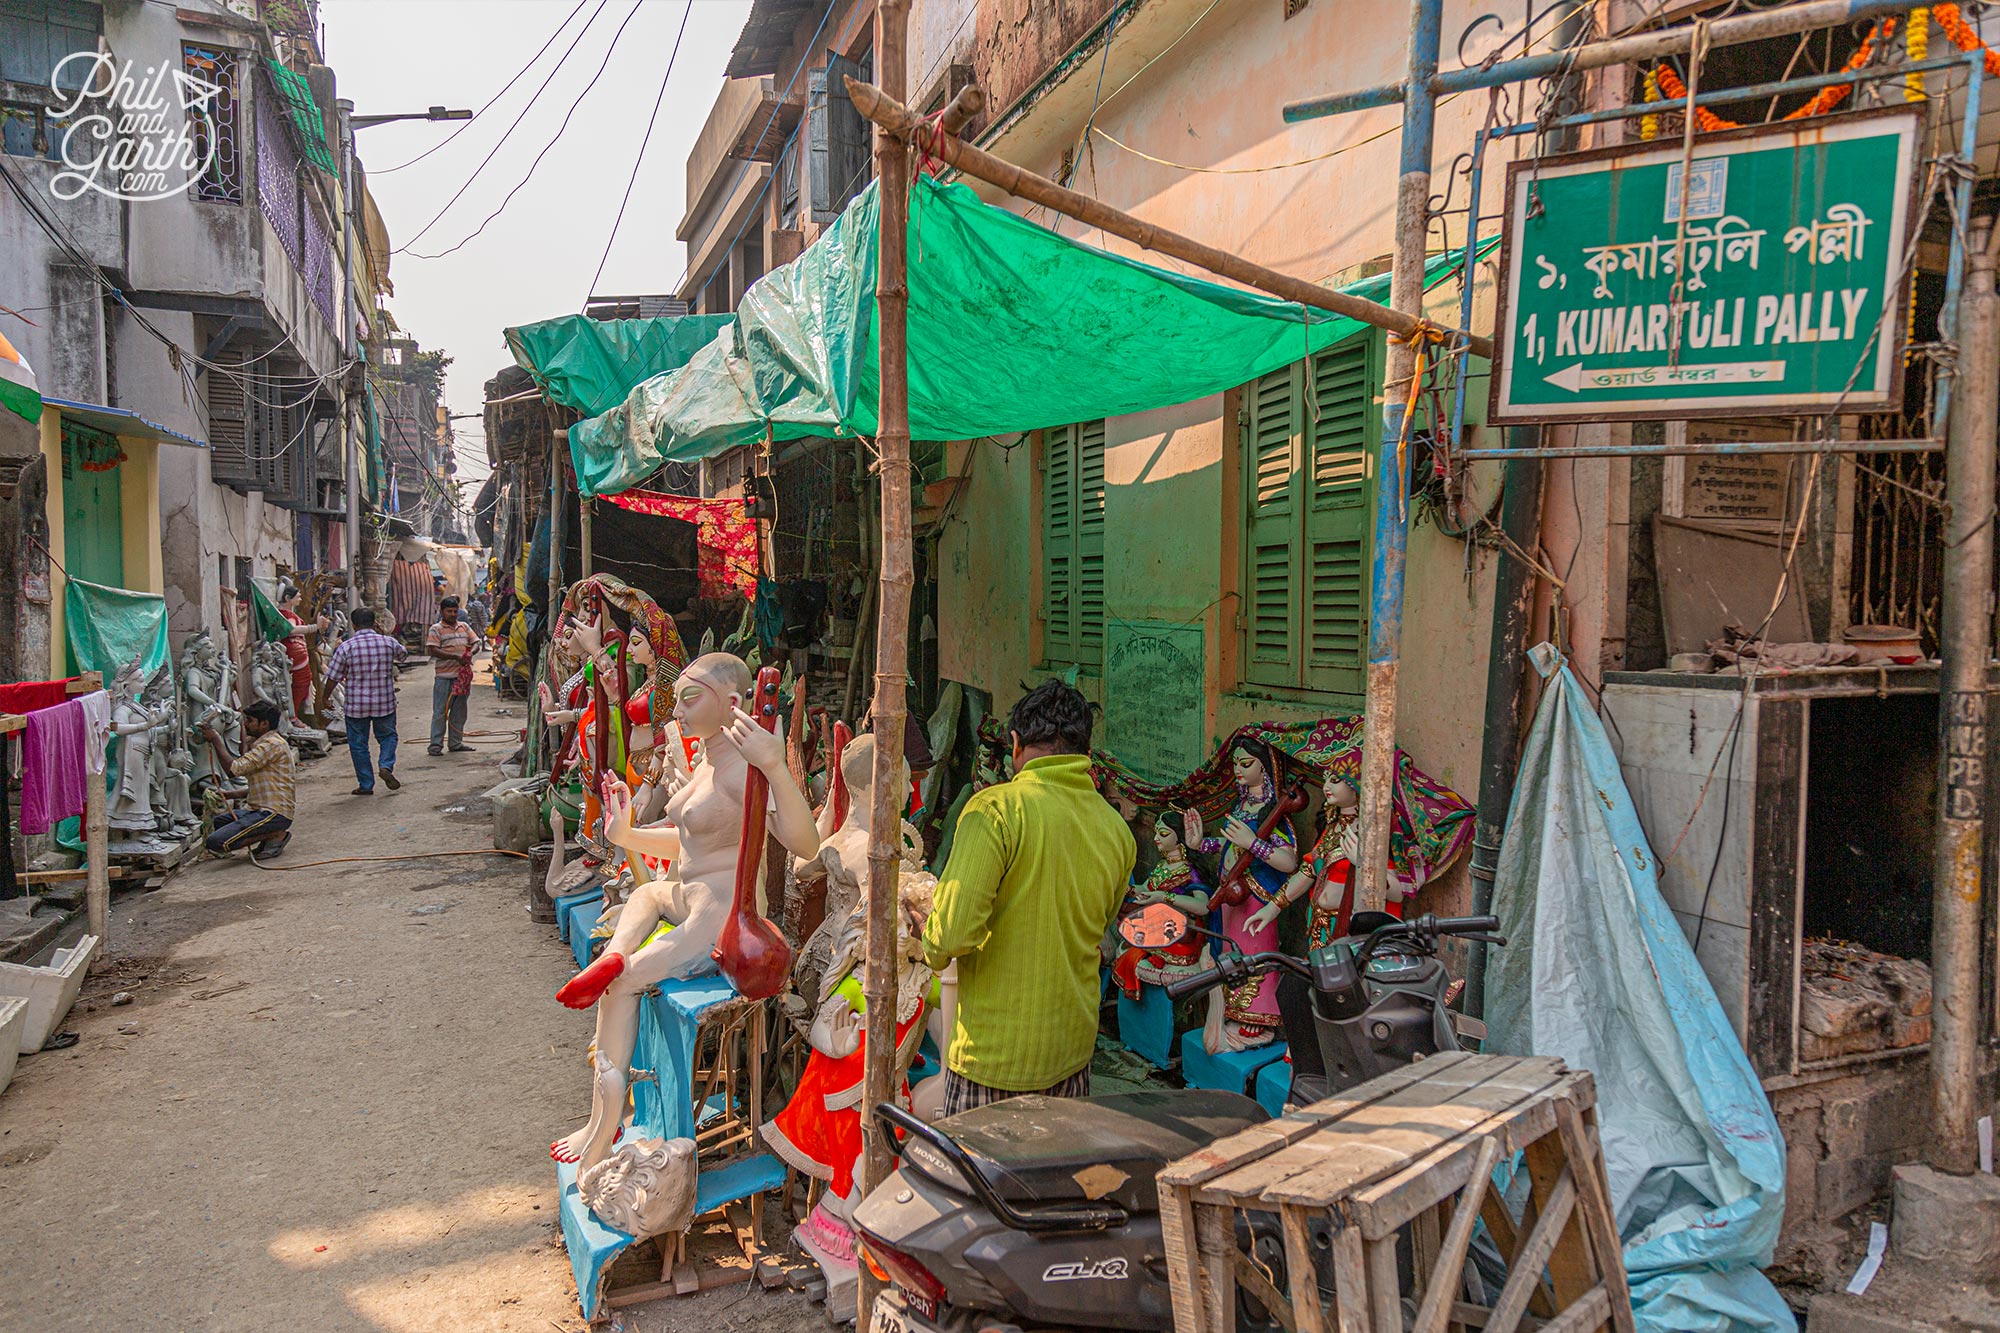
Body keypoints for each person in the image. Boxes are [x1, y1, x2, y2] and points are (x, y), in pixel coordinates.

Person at [920, 678, 1134, 1114]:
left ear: (1015, 745)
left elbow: (952, 936)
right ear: (1083, 752)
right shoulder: (1116, 830)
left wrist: (928, 933)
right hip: (1072, 1053)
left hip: (993, 1059)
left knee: (981, 1181)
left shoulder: (994, 810)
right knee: (1052, 1177)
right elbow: (1100, 923)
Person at [324, 606, 406, 795]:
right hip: (384, 702)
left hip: (356, 705)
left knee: (358, 744)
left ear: (353, 625)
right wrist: (384, 634)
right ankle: (385, 765)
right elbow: (403, 656)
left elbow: (333, 676)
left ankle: (366, 784)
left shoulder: (347, 647)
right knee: (388, 737)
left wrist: (325, 697)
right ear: (374, 622)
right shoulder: (388, 642)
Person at [201, 701, 296, 858]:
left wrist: (216, 740)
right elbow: (263, 787)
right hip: (258, 810)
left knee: (215, 842)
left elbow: (234, 770)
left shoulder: (270, 744)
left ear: (264, 724)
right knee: (218, 822)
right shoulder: (266, 743)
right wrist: (230, 795)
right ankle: (269, 836)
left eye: (250, 721)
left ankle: (275, 835)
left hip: (272, 814)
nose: (245, 725)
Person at [424, 594, 479, 756]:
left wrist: (471, 653)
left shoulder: (464, 626)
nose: (453, 614)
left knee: (459, 712)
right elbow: (433, 650)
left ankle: (455, 743)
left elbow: (476, 642)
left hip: (462, 677)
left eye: (455, 611)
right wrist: (455, 657)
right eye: (449, 611)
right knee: (440, 711)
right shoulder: (436, 629)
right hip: (444, 677)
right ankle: (435, 745)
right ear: (442, 612)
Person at [275, 583, 329, 716]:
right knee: (300, 684)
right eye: (298, 596)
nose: (300, 599)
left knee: (302, 684)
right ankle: (292, 716)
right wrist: (314, 627)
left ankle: (294, 715)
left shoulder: (288, 613)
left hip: (297, 652)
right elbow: (291, 630)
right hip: (294, 653)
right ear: (288, 598)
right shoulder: (287, 614)